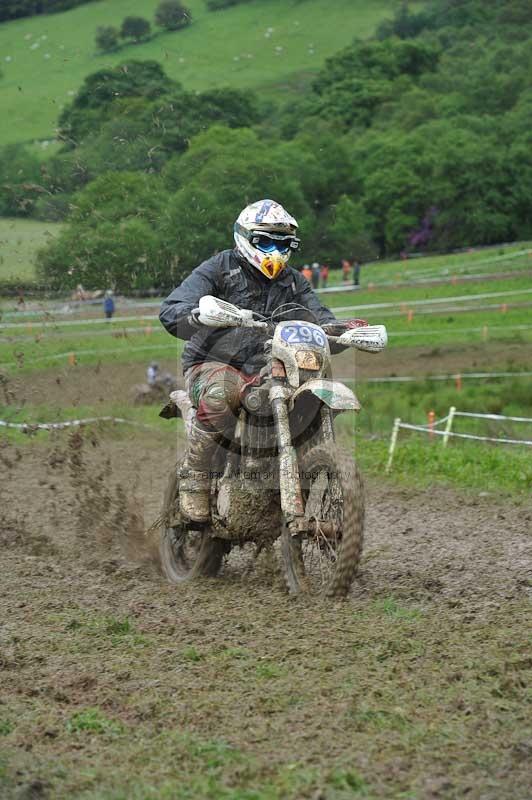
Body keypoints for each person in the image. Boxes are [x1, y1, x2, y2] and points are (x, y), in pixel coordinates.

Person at [159, 199, 364, 523]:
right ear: (246, 237)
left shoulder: (294, 282)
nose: (274, 249)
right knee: (220, 395)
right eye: (265, 241)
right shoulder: (218, 268)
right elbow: (172, 309)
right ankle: (194, 478)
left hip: (272, 367)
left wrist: (338, 331)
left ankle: (298, 480)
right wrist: (196, 315)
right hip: (213, 363)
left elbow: (320, 316)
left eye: (282, 243)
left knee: (308, 401)